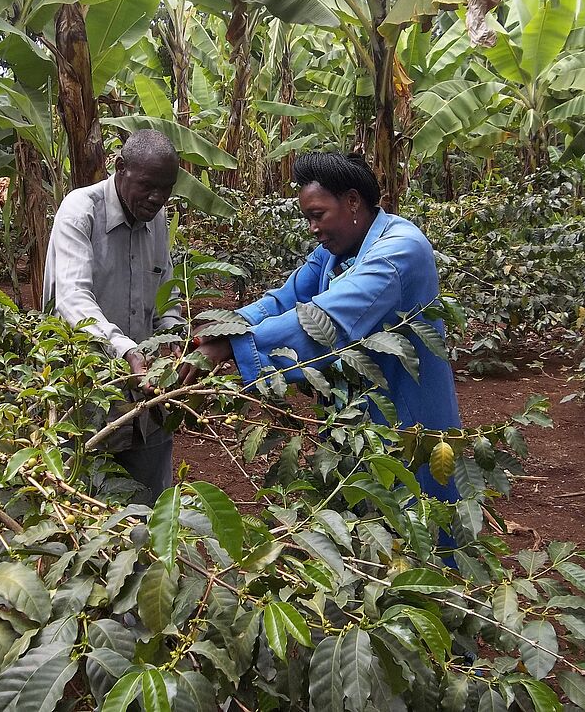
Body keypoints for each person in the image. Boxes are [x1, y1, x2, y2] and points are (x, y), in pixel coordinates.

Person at [187, 152, 462, 509]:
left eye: (318, 215)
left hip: (405, 412)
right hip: (355, 414)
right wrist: (224, 325)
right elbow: (286, 299)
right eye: (308, 218)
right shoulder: (335, 251)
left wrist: (234, 346)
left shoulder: (399, 250)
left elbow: (327, 319)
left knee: (413, 510)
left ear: (352, 201)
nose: (312, 228)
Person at [43, 130, 184, 502]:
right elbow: (72, 300)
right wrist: (126, 351)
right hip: (88, 394)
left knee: (152, 506)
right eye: (148, 186)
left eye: (166, 189)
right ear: (120, 168)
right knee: (85, 504)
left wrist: (174, 337)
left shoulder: (157, 218)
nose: (158, 198)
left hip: (148, 400)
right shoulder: (80, 211)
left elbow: (166, 292)